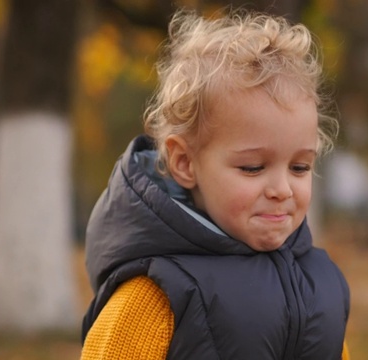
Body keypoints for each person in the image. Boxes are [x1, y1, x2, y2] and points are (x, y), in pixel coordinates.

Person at [81, 8, 350, 360]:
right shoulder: (156, 294)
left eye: (299, 167)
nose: (282, 189)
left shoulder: (321, 285)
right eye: (253, 168)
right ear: (184, 163)